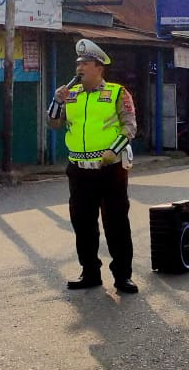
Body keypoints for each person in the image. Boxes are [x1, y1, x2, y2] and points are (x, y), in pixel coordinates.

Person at [47, 39, 139, 294]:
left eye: (85, 64)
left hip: (109, 169)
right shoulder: (71, 95)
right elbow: (53, 123)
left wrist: (115, 150)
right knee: (83, 223)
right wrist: (57, 100)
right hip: (78, 169)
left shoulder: (118, 92)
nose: (80, 68)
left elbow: (129, 126)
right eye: (78, 64)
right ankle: (90, 272)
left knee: (116, 223)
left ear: (99, 67)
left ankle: (122, 276)